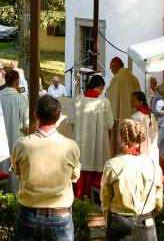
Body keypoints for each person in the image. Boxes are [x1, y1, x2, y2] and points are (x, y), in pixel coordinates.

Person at [11, 95, 81, 241]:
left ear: (35, 115)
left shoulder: (22, 144)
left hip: (29, 214)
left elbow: (17, 171)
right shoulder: (71, 146)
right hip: (60, 215)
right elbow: (75, 177)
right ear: (59, 116)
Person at [101, 119, 163, 241]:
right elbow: (158, 201)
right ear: (142, 138)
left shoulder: (112, 165)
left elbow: (105, 199)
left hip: (119, 224)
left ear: (121, 139)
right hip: (147, 222)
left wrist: (108, 216)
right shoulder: (153, 165)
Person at [70, 73, 114, 199]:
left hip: (81, 143)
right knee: (98, 162)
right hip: (99, 143)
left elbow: (72, 121)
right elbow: (110, 123)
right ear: (100, 86)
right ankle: (95, 198)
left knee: (81, 163)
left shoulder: (79, 99)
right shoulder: (104, 102)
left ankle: (79, 194)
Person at [105, 57, 140, 151]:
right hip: (133, 114)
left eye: (111, 68)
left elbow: (110, 95)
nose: (111, 70)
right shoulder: (134, 78)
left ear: (115, 67)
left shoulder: (117, 78)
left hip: (120, 114)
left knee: (120, 140)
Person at [130, 91, 159, 166]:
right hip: (153, 147)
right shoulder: (152, 115)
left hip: (142, 147)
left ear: (141, 102)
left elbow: (133, 135)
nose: (131, 102)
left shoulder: (136, 117)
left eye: (133, 100)